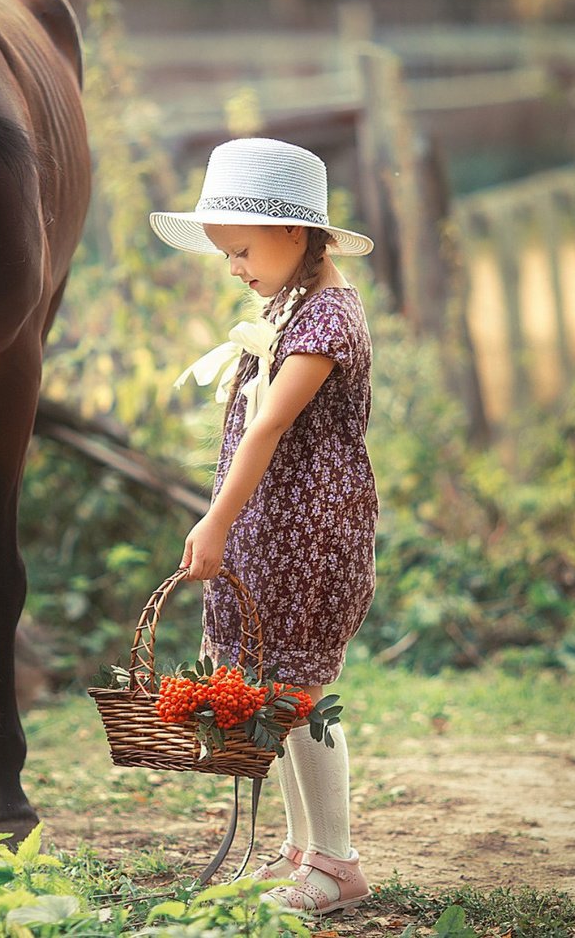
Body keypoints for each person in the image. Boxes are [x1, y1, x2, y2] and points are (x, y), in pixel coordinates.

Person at [149, 137, 379, 915]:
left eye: (241, 250)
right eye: (226, 255)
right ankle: (303, 850)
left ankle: (337, 862)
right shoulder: (290, 306)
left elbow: (269, 428)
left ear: (294, 234)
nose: (236, 268)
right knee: (269, 693)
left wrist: (215, 522)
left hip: (309, 536)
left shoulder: (327, 320)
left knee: (299, 695)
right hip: (273, 529)